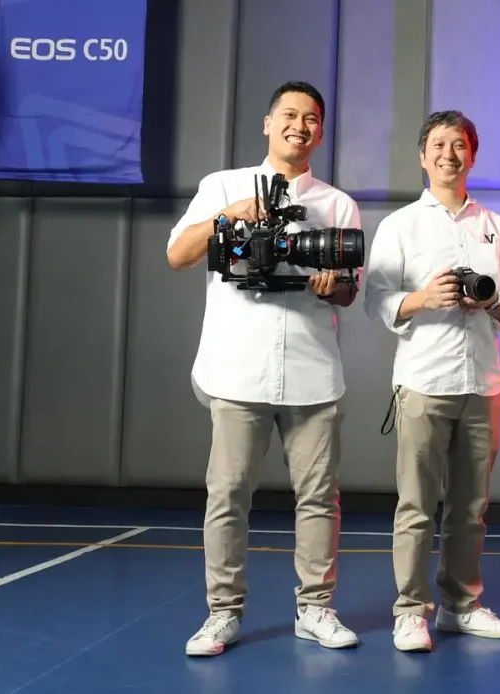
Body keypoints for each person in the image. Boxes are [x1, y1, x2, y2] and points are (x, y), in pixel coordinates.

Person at [166, 81, 361, 657]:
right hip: (237, 367)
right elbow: (178, 255)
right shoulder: (222, 186)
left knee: (319, 497)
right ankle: (222, 613)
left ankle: (315, 609)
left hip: (312, 369)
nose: (300, 125)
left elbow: (350, 291)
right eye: (290, 115)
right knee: (227, 494)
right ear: (268, 123)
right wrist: (228, 217)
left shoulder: (336, 203)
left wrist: (332, 284)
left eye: (311, 118)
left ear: (320, 131)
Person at [362, 110, 500, 653]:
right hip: (423, 380)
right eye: (438, 144)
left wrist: (493, 302)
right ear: (423, 155)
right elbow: (376, 299)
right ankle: (411, 612)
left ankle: (461, 605)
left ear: (472, 155)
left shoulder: (494, 224)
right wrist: (423, 298)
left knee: (470, 507)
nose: (448, 154)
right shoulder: (401, 225)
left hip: (483, 382)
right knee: (415, 505)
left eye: (459, 145)